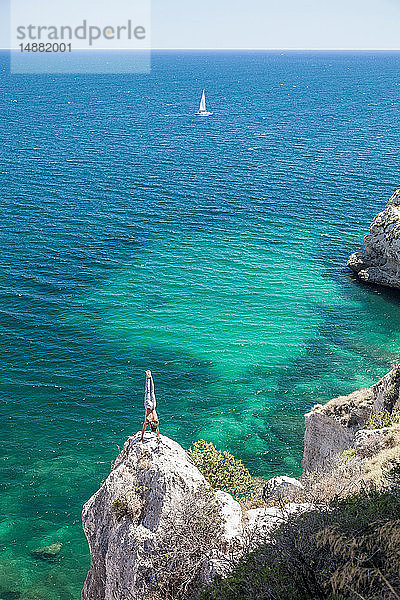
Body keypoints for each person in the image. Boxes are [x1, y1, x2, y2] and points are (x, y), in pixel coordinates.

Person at [141, 369, 160, 441]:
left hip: (153, 406)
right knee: (147, 391)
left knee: (152, 391)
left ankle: (151, 377)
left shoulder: (156, 421)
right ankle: (147, 377)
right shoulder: (147, 421)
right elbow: (143, 430)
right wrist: (142, 438)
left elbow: (157, 429)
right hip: (148, 406)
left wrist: (158, 435)